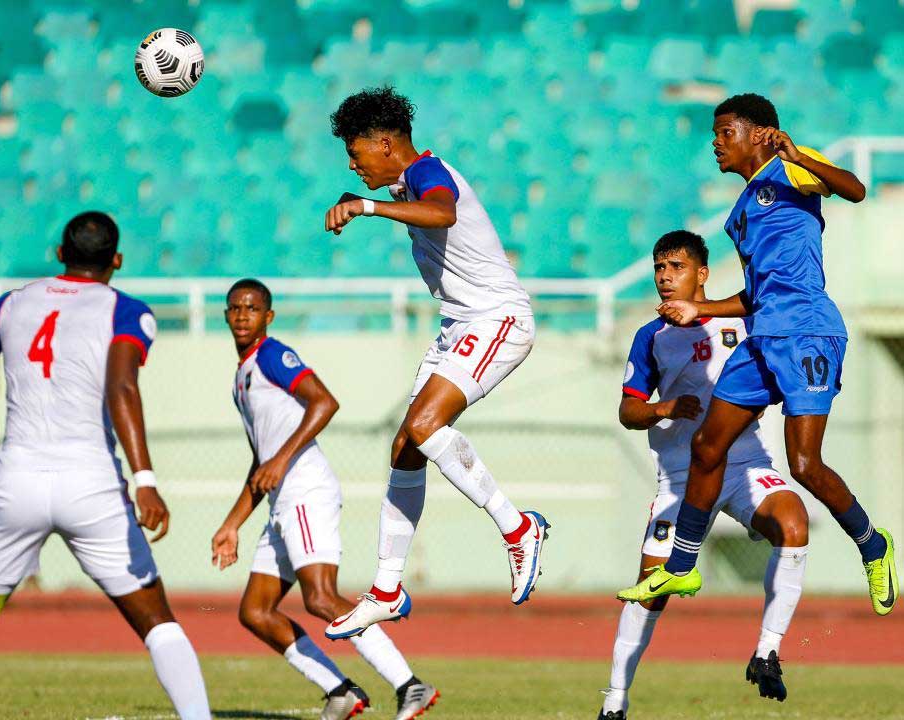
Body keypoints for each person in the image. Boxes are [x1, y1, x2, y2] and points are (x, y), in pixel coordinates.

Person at [617, 93, 897, 616]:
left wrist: (797, 155)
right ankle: (679, 569)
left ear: (757, 133)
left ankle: (873, 544)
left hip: (807, 333)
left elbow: (855, 190)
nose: (716, 144)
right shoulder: (741, 211)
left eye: (725, 132)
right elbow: (753, 295)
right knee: (706, 445)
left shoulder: (790, 169)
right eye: (714, 135)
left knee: (805, 464)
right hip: (763, 336)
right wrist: (699, 310)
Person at [321, 86, 548, 639]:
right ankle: (386, 588)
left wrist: (366, 205)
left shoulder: (428, 171)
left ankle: (518, 528)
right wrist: (374, 199)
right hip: (460, 325)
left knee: (425, 427)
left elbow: (442, 212)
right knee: (405, 446)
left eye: (357, 154)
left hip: (497, 319)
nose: (352, 165)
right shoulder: (409, 181)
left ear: (384, 142)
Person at [0, 211, 211, 719]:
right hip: (92, 486)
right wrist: (146, 480)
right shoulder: (125, 311)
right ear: (118, 260)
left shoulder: (10, 305)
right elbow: (122, 386)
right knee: (158, 623)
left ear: (60, 254)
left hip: (13, 481)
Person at [601, 231, 809, 719]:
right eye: (659, 268)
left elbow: (778, 373)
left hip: (745, 467)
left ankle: (767, 652)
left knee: (793, 524)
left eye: (675, 267)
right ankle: (614, 701)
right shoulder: (651, 335)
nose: (665, 277)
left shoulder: (741, 321)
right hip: (681, 479)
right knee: (651, 591)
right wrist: (664, 407)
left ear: (703, 274)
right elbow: (628, 412)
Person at [211, 279, 438, 720]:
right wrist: (232, 523)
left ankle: (410, 685)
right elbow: (262, 461)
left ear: (268, 317)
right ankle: (341, 690)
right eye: (235, 308)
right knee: (255, 611)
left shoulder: (272, 355)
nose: (242, 315)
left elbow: (324, 402)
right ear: (226, 315)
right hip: (281, 498)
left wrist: (280, 459)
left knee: (320, 597)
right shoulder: (242, 377)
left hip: (305, 490)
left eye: (252, 308)